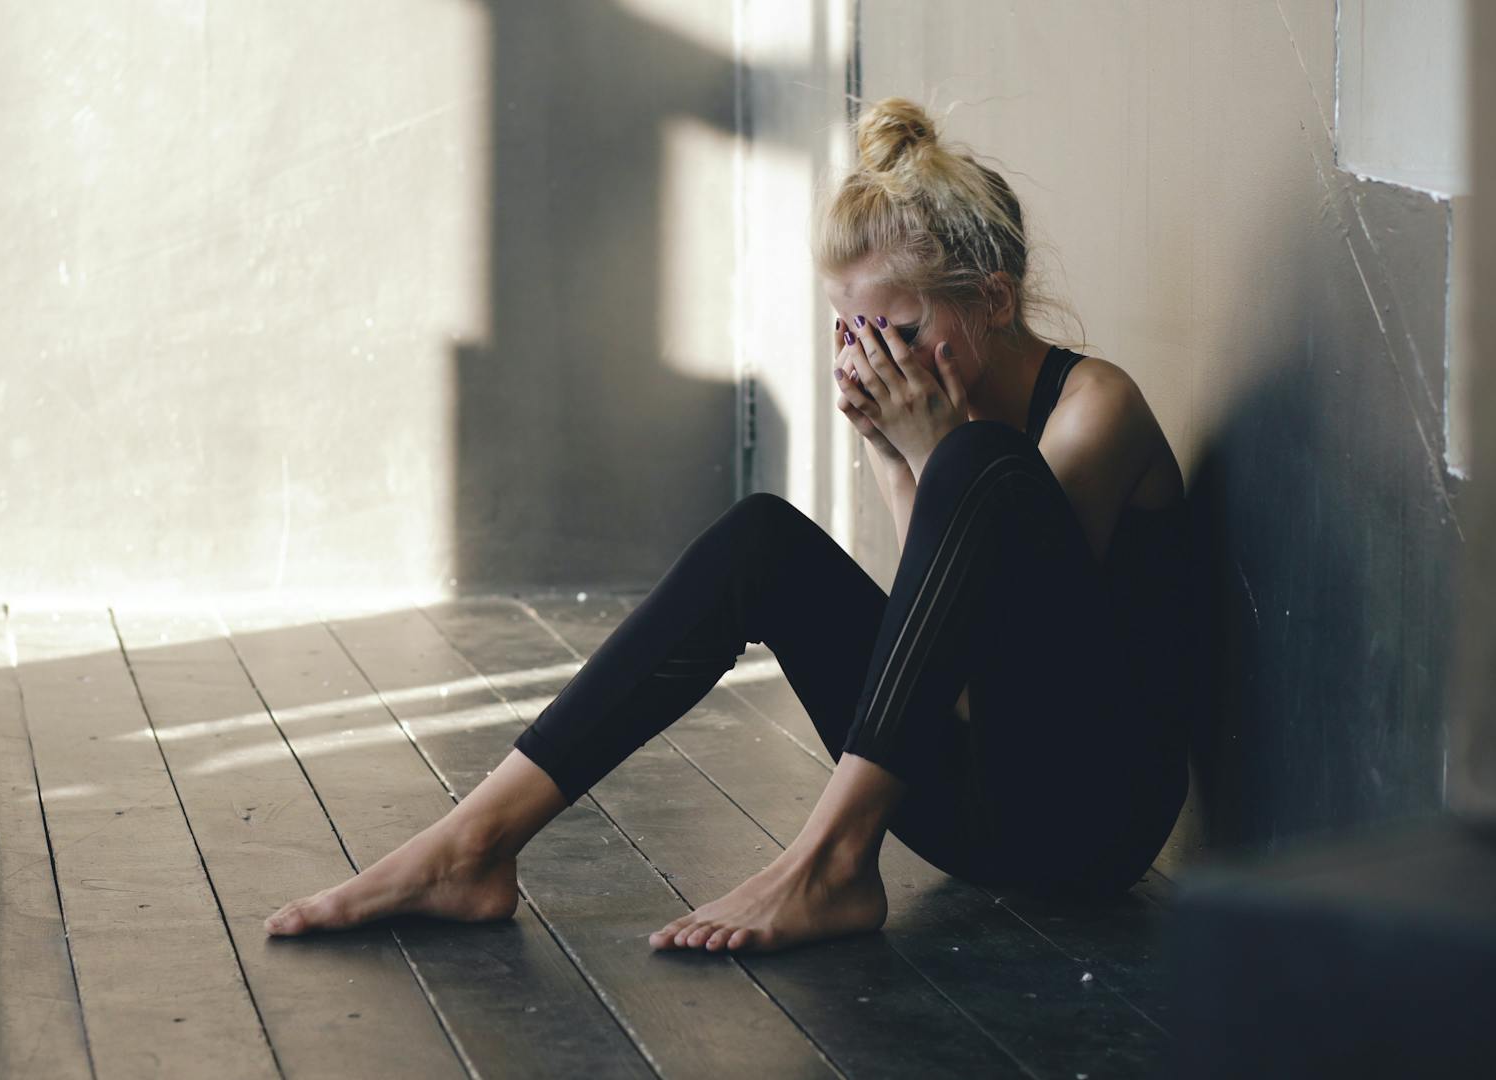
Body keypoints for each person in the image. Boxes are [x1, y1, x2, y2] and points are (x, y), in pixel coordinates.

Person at [264, 96, 1193, 955]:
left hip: (1086, 827)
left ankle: (829, 862)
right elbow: (934, 667)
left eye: (900, 330)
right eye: (848, 332)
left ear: (993, 300)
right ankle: (473, 845)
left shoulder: (1092, 412)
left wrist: (934, 454)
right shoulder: (942, 438)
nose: (871, 359)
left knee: (982, 460)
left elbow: (981, 683)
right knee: (762, 538)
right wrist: (899, 455)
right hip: (969, 816)